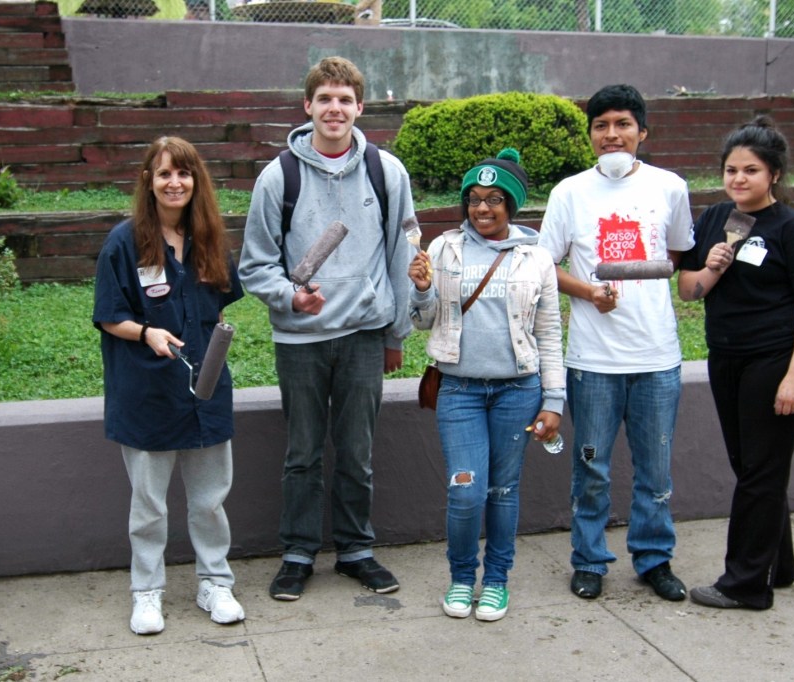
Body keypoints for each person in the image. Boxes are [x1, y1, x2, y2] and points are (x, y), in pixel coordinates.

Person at [239, 56, 414, 601]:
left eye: (344, 99)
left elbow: (401, 255)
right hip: (301, 339)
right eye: (324, 99)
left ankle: (356, 549)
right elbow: (255, 264)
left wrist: (395, 334)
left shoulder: (386, 172)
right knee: (303, 453)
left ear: (359, 107)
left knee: (357, 452)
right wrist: (290, 295)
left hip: (363, 334)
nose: (334, 109)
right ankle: (297, 553)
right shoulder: (279, 176)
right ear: (307, 106)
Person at [538, 84, 694, 603]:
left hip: (657, 358)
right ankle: (589, 560)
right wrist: (588, 291)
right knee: (591, 470)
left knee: (656, 472)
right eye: (601, 125)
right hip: (593, 362)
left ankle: (654, 560)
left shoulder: (670, 188)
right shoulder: (569, 193)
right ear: (590, 135)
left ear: (642, 132)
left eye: (623, 124)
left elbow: (677, 253)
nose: (612, 135)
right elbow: (543, 265)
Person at [678, 116, 794, 610]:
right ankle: (778, 567)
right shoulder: (714, 218)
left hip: (776, 361)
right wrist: (712, 267)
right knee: (753, 468)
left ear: (774, 175)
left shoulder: (793, 230)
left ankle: (744, 585)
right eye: (731, 170)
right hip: (727, 358)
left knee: (760, 472)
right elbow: (689, 291)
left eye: (751, 170)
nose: (739, 179)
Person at [93, 136, 246, 635]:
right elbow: (109, 315)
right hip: (147, 392)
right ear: (148, 181)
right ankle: (147, 591)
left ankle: (214, 583)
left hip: (206, 389)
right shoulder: (124, 242)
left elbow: (217, 307)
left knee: (209, 501)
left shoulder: (209, 239)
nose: (174, 183)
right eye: (164, 174)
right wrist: (147, 333)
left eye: (183, 173)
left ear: (196, 180)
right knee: (149, 506)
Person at [408, 148, 565, 622]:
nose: (482, 208)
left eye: (494, 199)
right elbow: (423, 322)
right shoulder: (443, 248)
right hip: (459, 390)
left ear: (511, 205)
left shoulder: (537, 258)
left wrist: (554, 399)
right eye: (474, 199)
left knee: (502, 491)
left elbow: (549, 332)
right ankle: (461, 577)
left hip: (518, 391)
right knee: (465, 490)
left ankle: (496, 580)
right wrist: (421, 289)